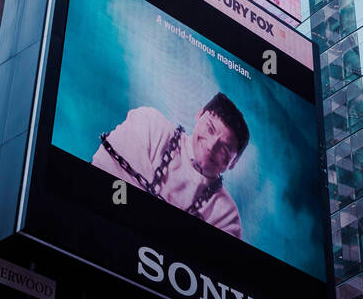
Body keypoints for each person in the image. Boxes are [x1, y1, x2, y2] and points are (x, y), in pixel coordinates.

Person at [92, 92, 249, 238]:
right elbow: (104, 171)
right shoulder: (150, 125)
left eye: (224, 148)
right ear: (199, 115)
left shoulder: (227, 215)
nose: (211, 146)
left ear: (233, 163)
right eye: (210, 128)